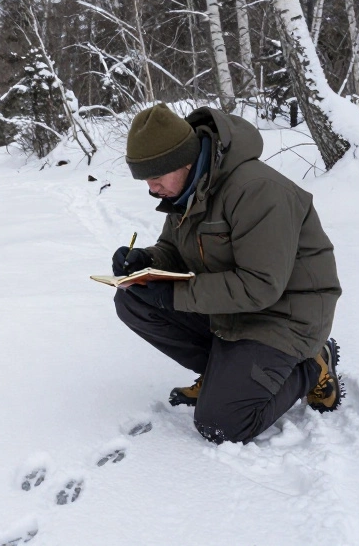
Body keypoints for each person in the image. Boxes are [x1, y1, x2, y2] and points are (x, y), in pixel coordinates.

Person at [112, 103, 343, 444]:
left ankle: (311, 365)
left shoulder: (258, 191)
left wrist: (172, 294)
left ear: (184, 161)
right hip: (234, 310)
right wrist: (144, 260)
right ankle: (223, 373)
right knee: (132, 299)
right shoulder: (188, 190)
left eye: (156, 177)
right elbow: (173, 249)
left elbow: (261, 286)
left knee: (221, 423)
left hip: (283, 317)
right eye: (146, 179)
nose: (152, 188)